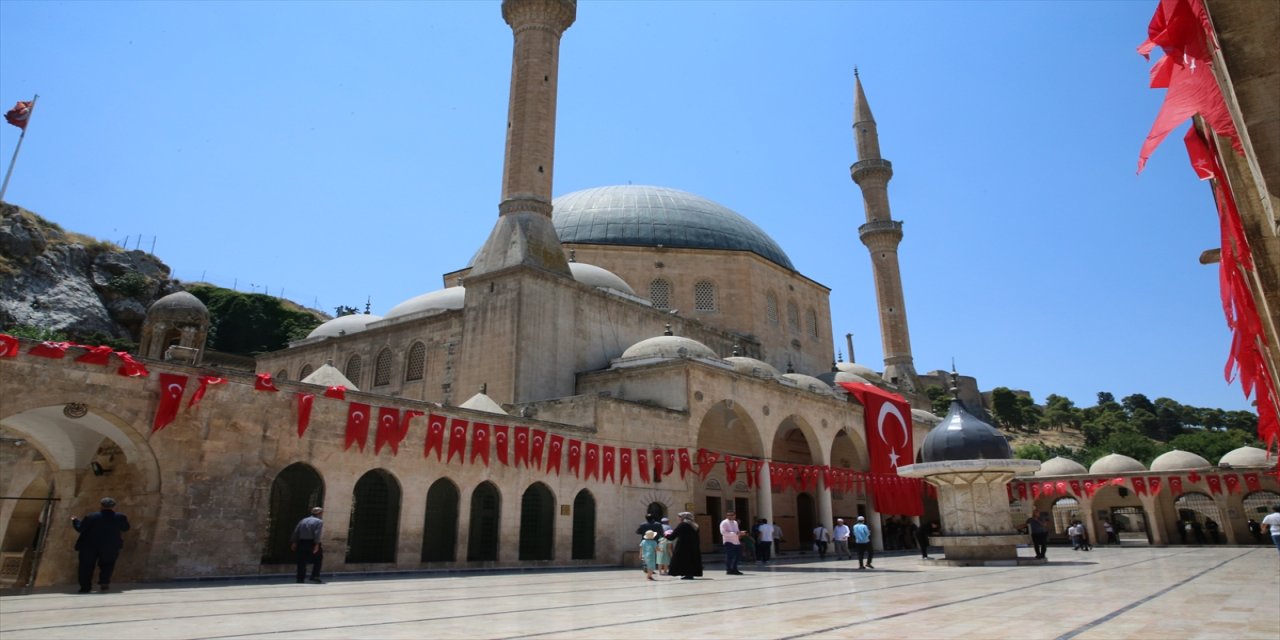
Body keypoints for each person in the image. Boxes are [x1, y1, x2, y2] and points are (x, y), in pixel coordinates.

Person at [71, 497, 131, 593]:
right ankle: (104, 582)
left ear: (101, 505)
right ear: (113, 506)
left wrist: (75, 521)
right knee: (108, 564)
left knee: (86, 566)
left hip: (89, 546)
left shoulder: (91, 516)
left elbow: (80, 528)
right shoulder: (120, 517)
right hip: (111, 545)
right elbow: (125, 528)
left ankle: (85, 587)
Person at [291, 506, 325, 584]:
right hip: (312, 543)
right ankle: (315, 576)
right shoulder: (319, 522)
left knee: (301, 561)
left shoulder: (303, 520)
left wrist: (294, 542)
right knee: (318, 559)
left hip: (302, 542)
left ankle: (300, 578)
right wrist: (317, 545)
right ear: (319, 514)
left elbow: (296, 531)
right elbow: (317, 533)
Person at [668, 512, 703, 579]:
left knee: (683, 560)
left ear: (684, 517)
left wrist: (666, 535)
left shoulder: (683, 524)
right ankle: (689, 573)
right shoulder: (695, 525)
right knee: (691, 560)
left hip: (683, 546)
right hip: (693, 546)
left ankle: (686, 573)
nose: (678, 518)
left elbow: (673, 535)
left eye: (679, 517)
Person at [720, 510, 744, 575]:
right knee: (730, 556)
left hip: (736, 541)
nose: (730, 516)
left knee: (738, 556)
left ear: (734, 516)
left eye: (731, 515)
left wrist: (740, 533)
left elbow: (737, 531)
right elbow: (723, 532)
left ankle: (734, 569)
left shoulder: (735, 522)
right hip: (728, 541)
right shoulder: (724, 522)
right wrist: (735, 533)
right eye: (728, 515)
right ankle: (729, 570)